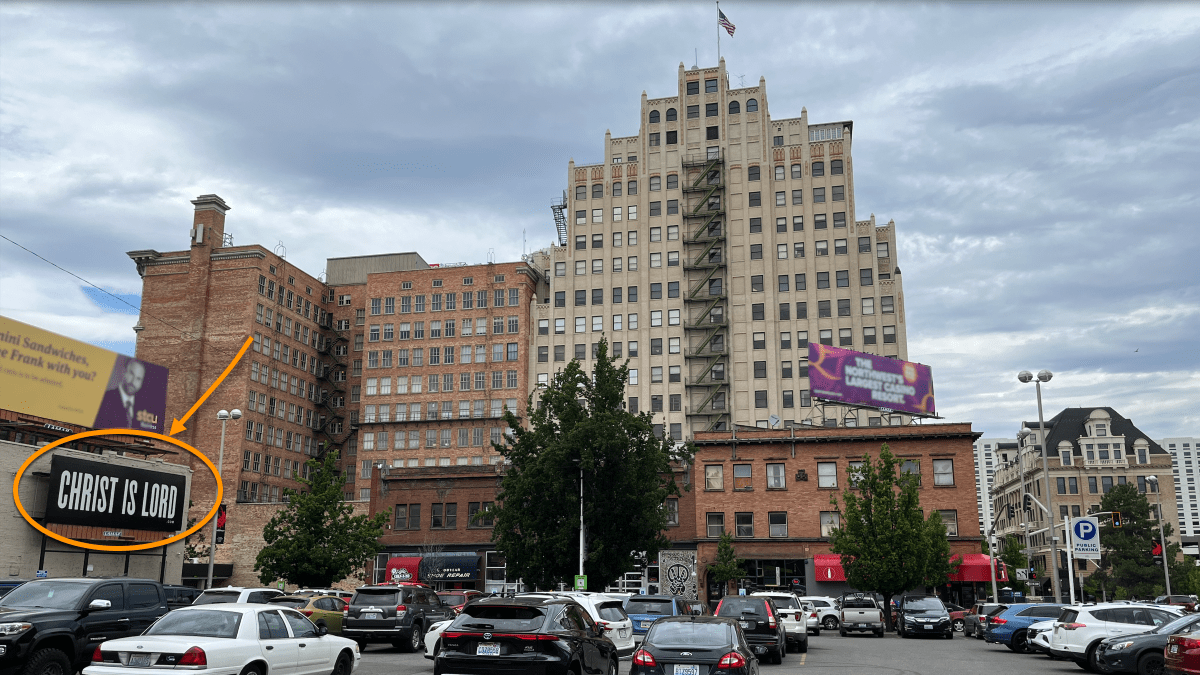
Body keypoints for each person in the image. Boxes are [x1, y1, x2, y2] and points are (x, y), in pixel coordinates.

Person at [93, 358, 146, 429]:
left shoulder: (144, 408)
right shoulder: (104, 398)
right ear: (124, 372)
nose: (133, 382)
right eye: (131, 374)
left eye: (138, 379)